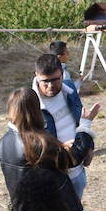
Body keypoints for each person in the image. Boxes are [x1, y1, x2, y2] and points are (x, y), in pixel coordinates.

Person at [0, 88, 97, 211]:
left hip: (24, 210)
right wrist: (85, 125)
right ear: (35, 109)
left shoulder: (4, 141)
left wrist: (59, 147)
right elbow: (73, 158)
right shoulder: (39, 143)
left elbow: (33, 163)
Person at [33, 53, 91, 202]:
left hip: (77, 170)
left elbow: (79, 121)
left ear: (62, 74)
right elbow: (29, 144)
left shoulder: (70, 89)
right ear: (36, 75)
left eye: (55, 79)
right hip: (54, 176)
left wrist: (89, 148)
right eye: (45, 81)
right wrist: (59, 147)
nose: (51, 86)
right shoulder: (30, 103)